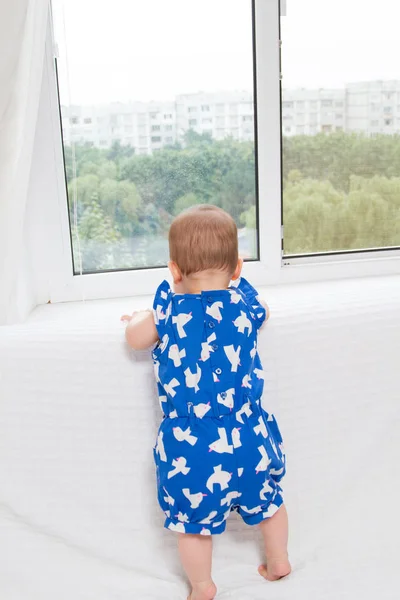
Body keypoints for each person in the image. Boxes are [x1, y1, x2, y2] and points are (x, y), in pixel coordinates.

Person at [122, 205, 291, 600]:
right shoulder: (245, 305)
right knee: (269, 501)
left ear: (174, 270)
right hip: (250, 436)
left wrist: (139, 317)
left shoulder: (165, 313)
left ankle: (202, 585)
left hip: (194, 447)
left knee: (193, 522)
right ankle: (279, 559)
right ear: (237, 268)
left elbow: (135, 338)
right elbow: (265, 312)